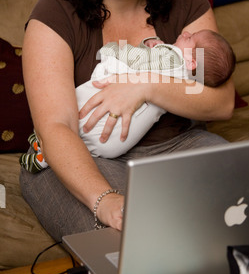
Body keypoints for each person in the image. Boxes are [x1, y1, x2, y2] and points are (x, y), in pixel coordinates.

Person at [20, 0, 235, 241]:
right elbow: (56, 126)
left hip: (180, 145)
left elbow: (220, 102)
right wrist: (104, 200)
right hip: (83, 159)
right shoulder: (55, 15)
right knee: (136, 241)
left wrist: (146, 85)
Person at [20, 29, 235, 171]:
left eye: (191, 39)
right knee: (87, 135)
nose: (186, 33)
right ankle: (47, 152)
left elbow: (138, 59)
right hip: (117, 143)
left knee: (78, 108)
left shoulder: (172, 59)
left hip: (106, 114)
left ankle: (47, 148)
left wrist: (112, 50)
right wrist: (153, 45)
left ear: (190, 62)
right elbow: (155, 62)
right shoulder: (186, 81)